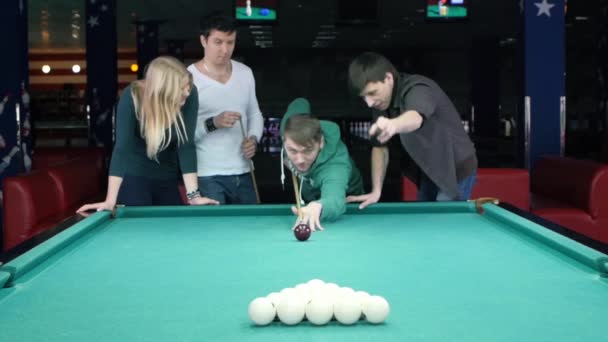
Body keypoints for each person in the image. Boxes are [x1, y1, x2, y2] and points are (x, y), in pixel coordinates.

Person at [77, 56, 218, 214]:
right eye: (182, 91)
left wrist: (194, 196)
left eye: (188, 89)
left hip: (167, 177)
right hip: (134, 178)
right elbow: (122, 149)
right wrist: (110, 200)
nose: (186, 94)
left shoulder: (190, 93)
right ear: (163, 90)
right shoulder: (133, 96)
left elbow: (186, 145)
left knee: (173, 232)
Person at [346, 52, 477, 208]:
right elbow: (380, 148)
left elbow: (415, 117)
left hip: (455, 168)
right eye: (364, 97)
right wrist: (376, 191)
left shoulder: (418, 88)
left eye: (372, 93)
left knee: (441, 224)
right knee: (423, 219)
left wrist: (393, 125)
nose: (369, 103)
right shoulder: (381, 103)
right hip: (428, 170)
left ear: (388, 79)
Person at [188, 12, 264, 204]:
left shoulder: (245, 73)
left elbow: (254, 113)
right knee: (215, 233)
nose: (225, 49)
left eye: (230, 42)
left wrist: (254, 139)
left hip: (245, 170)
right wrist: (213, 123)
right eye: (218, 42)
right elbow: (183, 134)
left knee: (252, 228)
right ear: (203, 41)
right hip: (207, 175)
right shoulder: (189, 77)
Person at [280, 98, 364, 231]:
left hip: (349, 202)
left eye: (307, 150)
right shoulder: (289, 128)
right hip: (312, 195)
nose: (300, 159)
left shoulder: (335, 166)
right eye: (292, 150)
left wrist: (319, 206)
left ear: (321, 143)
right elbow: (300, 103)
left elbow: (335, 200)